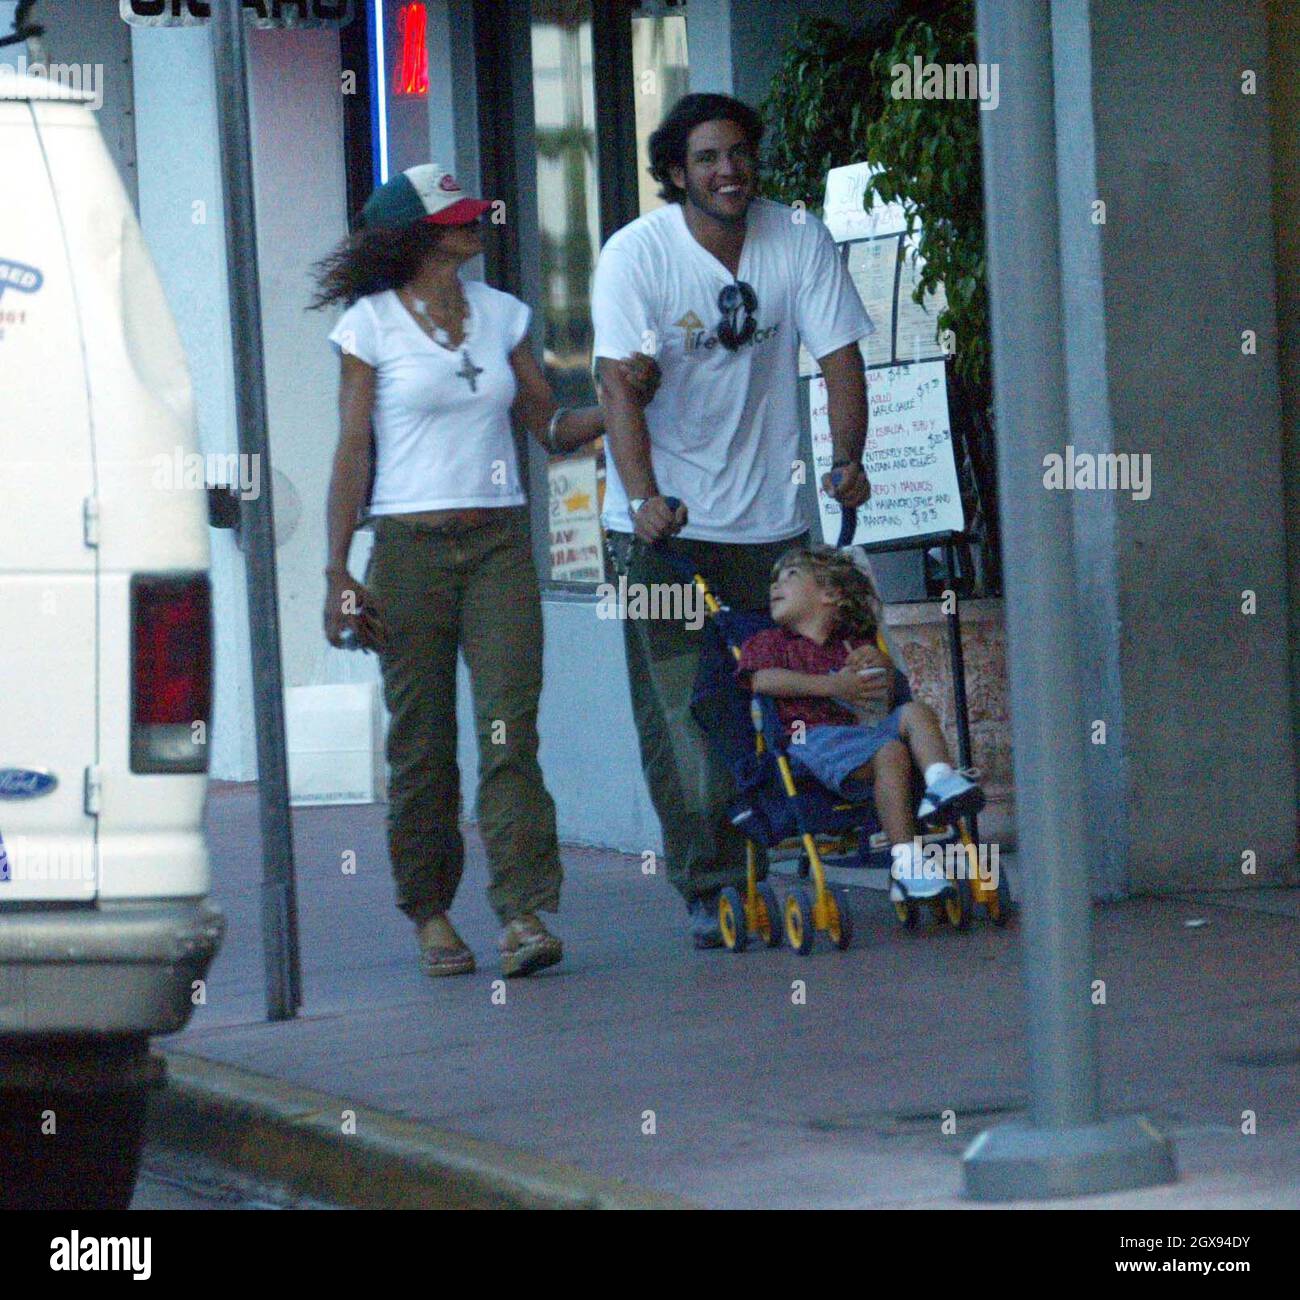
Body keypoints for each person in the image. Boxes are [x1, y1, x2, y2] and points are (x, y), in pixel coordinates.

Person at [311, 163, 658, 979]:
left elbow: (549, 427)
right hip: (406, 553)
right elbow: (352, 451)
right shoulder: (368, 327)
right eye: (457, 217)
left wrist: (621, 401)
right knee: (422, 745)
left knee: (510, 731)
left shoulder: (502, 315)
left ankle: (523, 913)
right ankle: (430, 912)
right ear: (418, 236)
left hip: (500, 546)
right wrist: (337, 571)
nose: (476, 224)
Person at [591, 93, 875, 948]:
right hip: (661, 536)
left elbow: (840, 360)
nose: (729, 170)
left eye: (740, 153)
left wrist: (848, 459)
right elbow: (615, 384)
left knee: (788, 695)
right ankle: (712, 881)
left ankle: (795, 846)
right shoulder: (636, 255)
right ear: (677, 173)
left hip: (772, 526)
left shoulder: (797, 239)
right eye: (709, 158)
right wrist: (643, 496)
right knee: (688, 708)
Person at [736, 546, 984, 898]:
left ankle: (941, 783)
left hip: (861, 734)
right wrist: (832, 686)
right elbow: (761, 681)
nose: (777, 584)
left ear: (830, 594)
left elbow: (889, 689)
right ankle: (908, 863)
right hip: (811, 740)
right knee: (891, 752)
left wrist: (880, 663)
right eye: (776, 578)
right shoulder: (770, 642)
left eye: (791, 576)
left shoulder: (852, 642)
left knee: (916, 712)